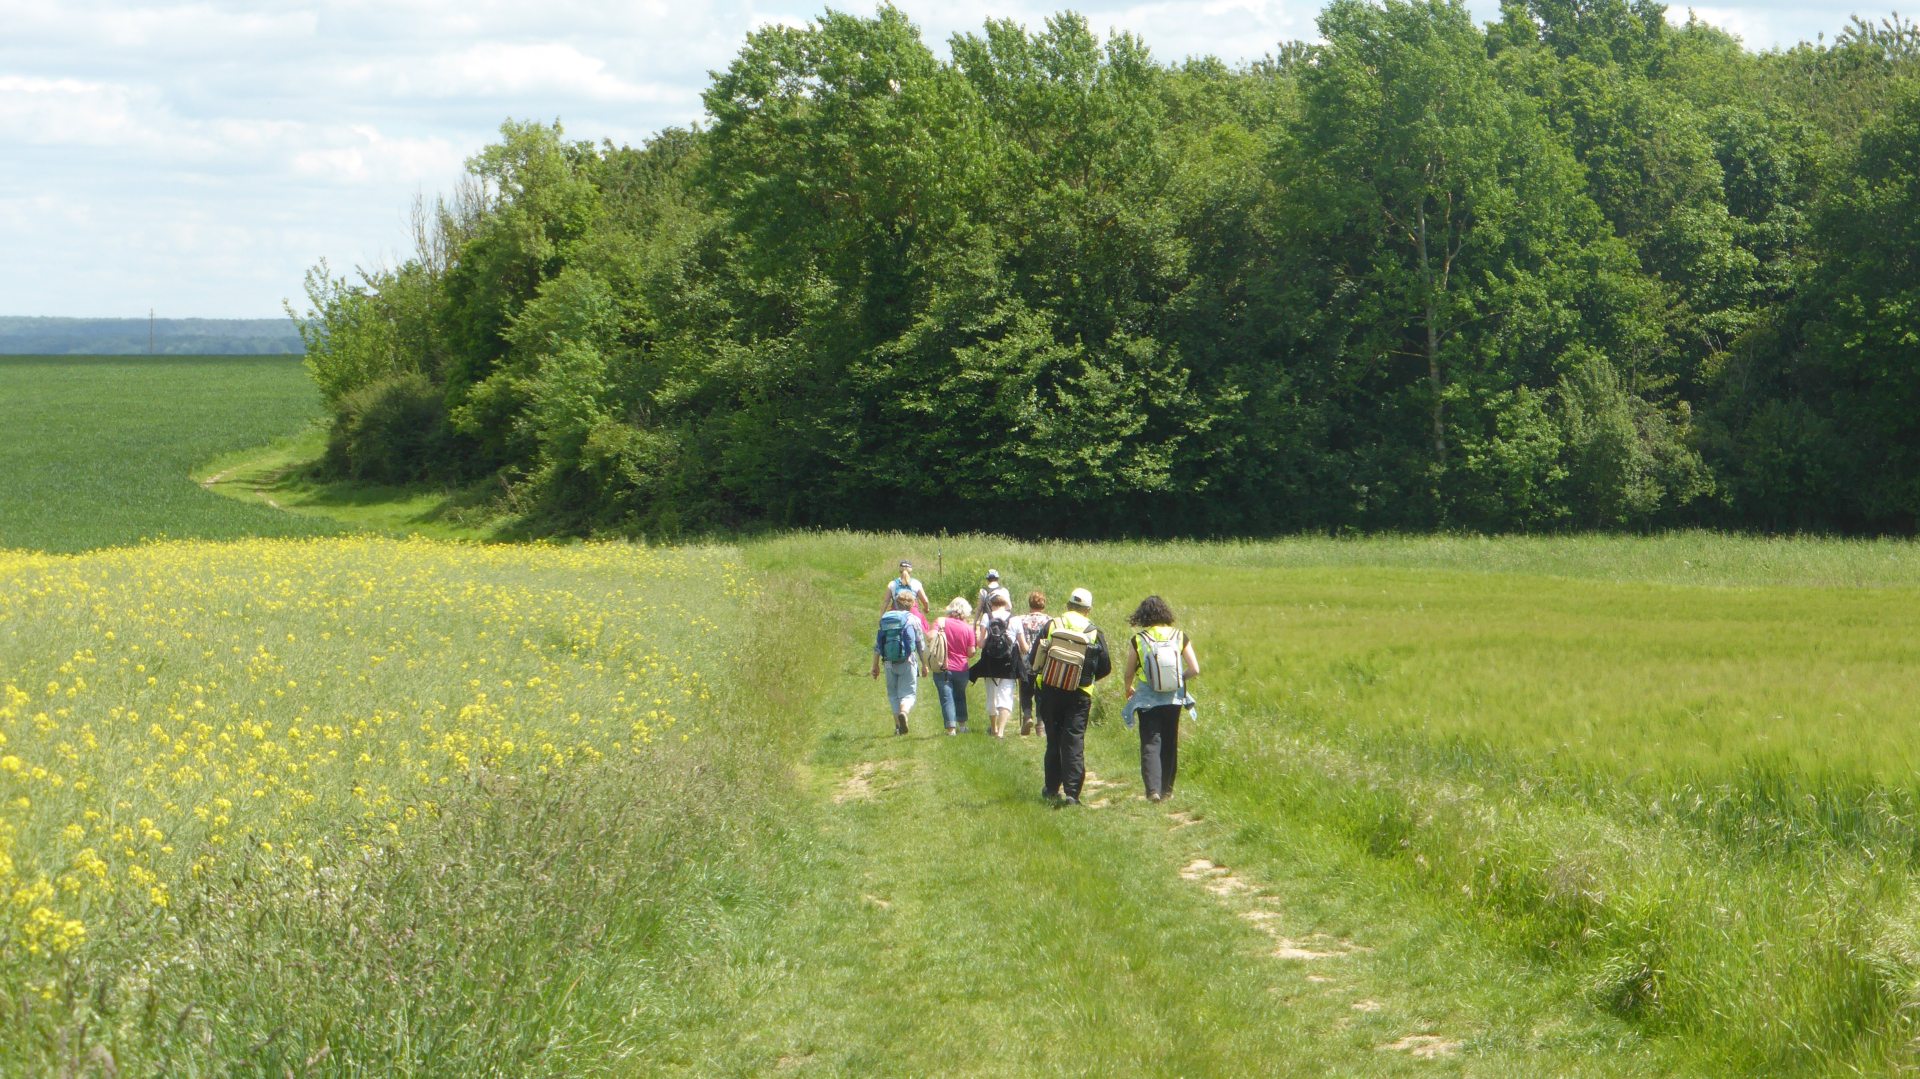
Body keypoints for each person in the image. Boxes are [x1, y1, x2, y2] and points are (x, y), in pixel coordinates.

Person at [1028, 587, 1112, 804]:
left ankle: (1051, 789)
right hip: (1079, 695)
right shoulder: (1094, 631)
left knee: (1053, 740)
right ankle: (1072, 795)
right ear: (1088, 610)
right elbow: (1105, 667)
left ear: (1068, 606)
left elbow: (1033, 658)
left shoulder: (1053, 624)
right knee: (1073, 741)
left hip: (1050, 690)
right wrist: (1085, 679)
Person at [1120, 595, 1200, 802]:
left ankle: (1152, 791)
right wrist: (1177, 680)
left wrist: (1128, 687)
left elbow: (1129, 671)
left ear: (1143, 615)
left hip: (1147, 699)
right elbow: (1195, 669)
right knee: (1170, 742)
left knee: (1150, 742)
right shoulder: (1179, 635)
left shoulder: (1139, 639)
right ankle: (1167, 791)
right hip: (1173, 698)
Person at [871, 590, 927, 735]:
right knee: (908, 693)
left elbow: (878, 644)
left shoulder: (885, 618)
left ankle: (898, 727)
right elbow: (920, 644)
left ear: (895, 603)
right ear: (912, 604)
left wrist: (875, 665)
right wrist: (924, 664)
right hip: (907, 661)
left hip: (888, 662)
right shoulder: (913, 620)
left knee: (893, 695)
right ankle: (904, 713)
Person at [970, 592, 1021, 738]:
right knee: (1006, 695)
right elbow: (1023, 646)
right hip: (1009, 662)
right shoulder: (1015, 619)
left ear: (991, 605)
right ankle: (1001, 731)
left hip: (990, 662)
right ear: (1006, 604)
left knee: (991, 696)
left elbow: (980, 643)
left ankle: (993, 728)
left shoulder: (987, 617)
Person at [931, 597, 978, 735]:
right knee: (960, 695)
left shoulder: (940, 622)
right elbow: (971, 652)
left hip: (943, 666)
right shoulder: (968, 628)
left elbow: (930, 637)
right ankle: (962, 726)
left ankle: (951, 729)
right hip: (962, 669)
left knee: (946, 697)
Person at [1015, 591, 1051, 736]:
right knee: (1041, 693)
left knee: (1025, 691)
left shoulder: (1021, 620)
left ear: (1030, 603)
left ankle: (1027, 715)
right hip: (1043, 662)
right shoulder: (1050, 621)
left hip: (1025, 661)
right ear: (1043, 604)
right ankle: (1041, 724)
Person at [882, 560, 933, 631]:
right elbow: (925, 601)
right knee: (924, 629)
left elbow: (886, 602)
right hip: (912, 613)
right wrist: (926, 609)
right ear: (910, 570)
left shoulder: (892, 584)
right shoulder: (916, 583)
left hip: (896, 612)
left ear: (900, 570)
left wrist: (882, 616)